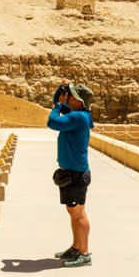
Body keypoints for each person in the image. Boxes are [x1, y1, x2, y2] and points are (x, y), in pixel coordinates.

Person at [48, 81, 95, 267]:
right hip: (71, 172)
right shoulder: (77, 115)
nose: (68, 97)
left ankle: (84, 253)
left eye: (71, 95)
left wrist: (59, 106)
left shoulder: (79, 118)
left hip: (76, 174)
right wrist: (62, 89)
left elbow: (52, 121)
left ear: (78, 100)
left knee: (79, 214)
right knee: (73, 212)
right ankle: (76, 247)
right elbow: (56, 101)